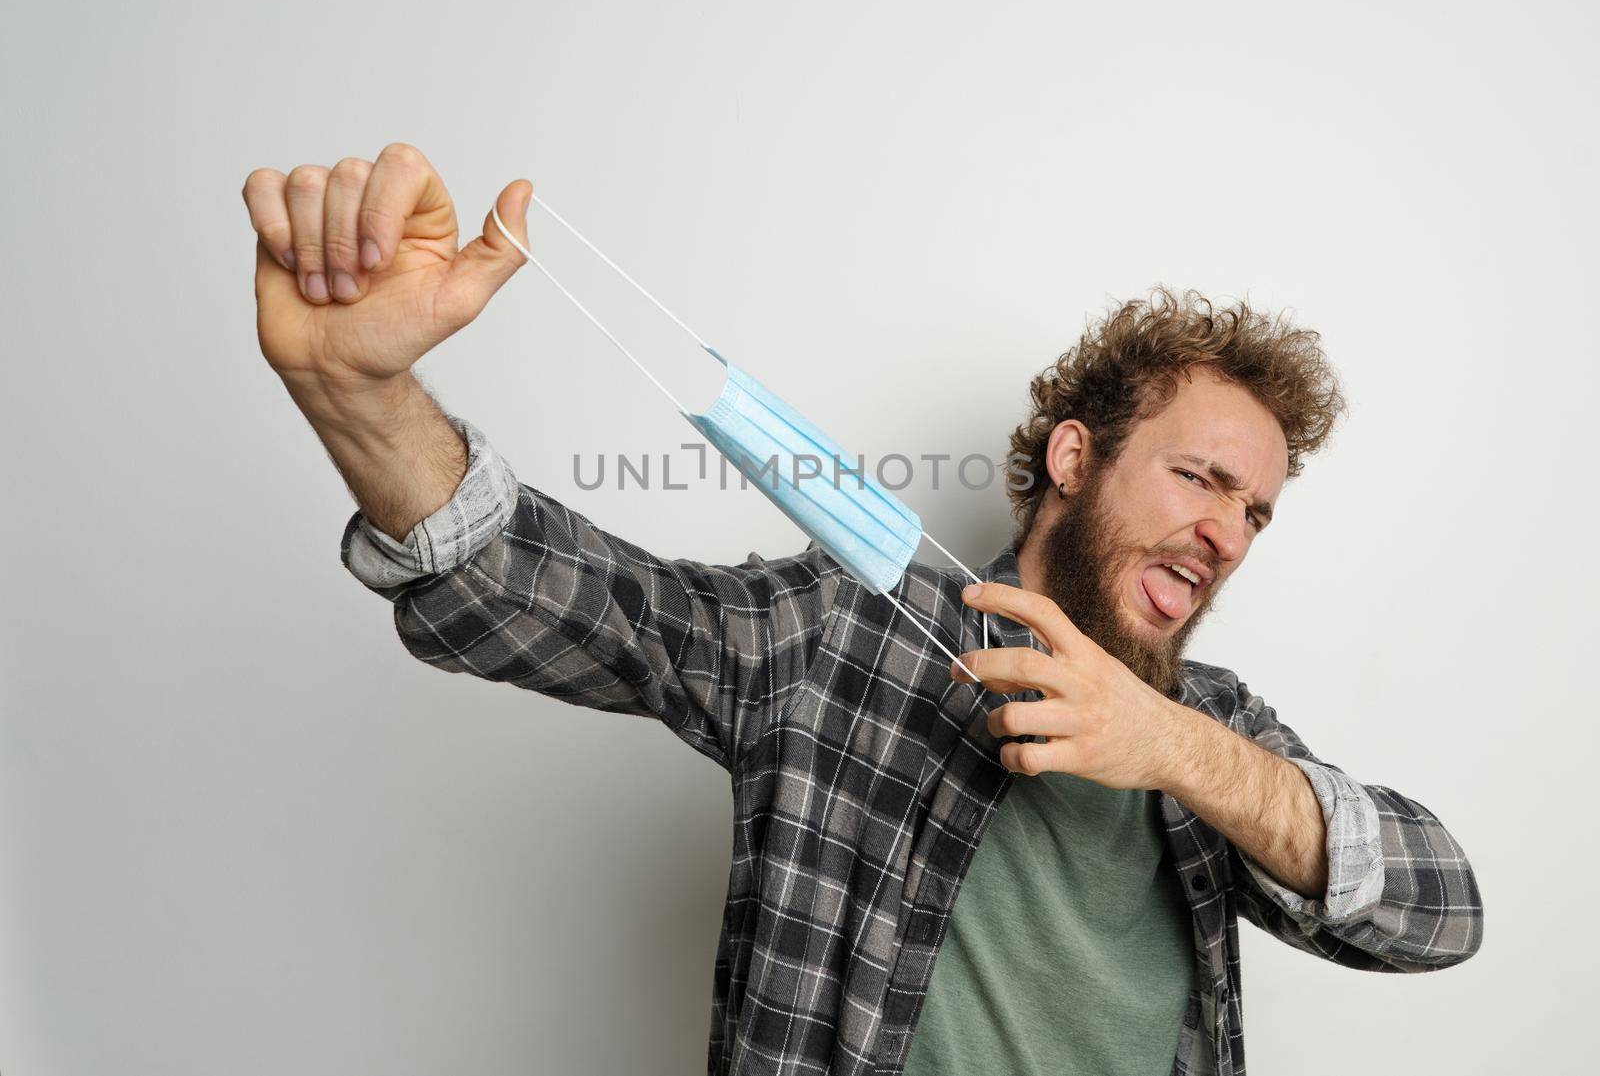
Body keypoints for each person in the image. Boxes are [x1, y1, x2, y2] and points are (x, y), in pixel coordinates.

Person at [242, 144, 1483, 1076]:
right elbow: (545, 589)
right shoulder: (841, 634)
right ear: (1071, 458)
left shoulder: (1215, 734)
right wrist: (356, 390)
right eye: (1198, 476)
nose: (1226, 529)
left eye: (1255, 510)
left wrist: (1168, 745)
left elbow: (1439, 912)